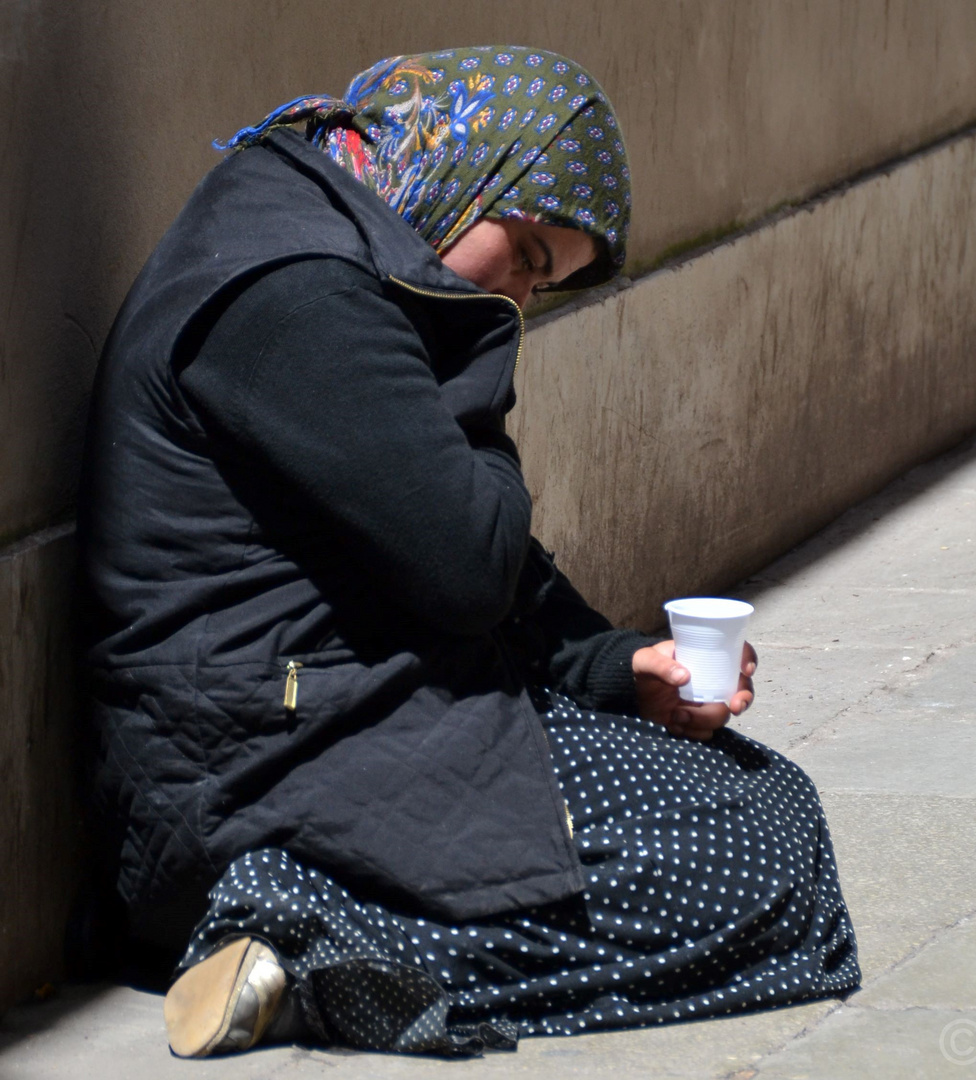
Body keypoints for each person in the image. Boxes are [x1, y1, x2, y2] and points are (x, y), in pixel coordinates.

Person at [78, 46, 860, 1058]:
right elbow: (468, 566)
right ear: (472, 174)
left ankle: (306, 962)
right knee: (746, 856)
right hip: (244, 781)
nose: (521, 300)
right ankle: (284, 938)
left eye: (543, 287)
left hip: (335, 714)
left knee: (766, 806)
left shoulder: (326, 231)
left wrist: (614, 668)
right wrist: (479, 357)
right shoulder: (296, 294)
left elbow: (446, 535)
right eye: (527, 259)